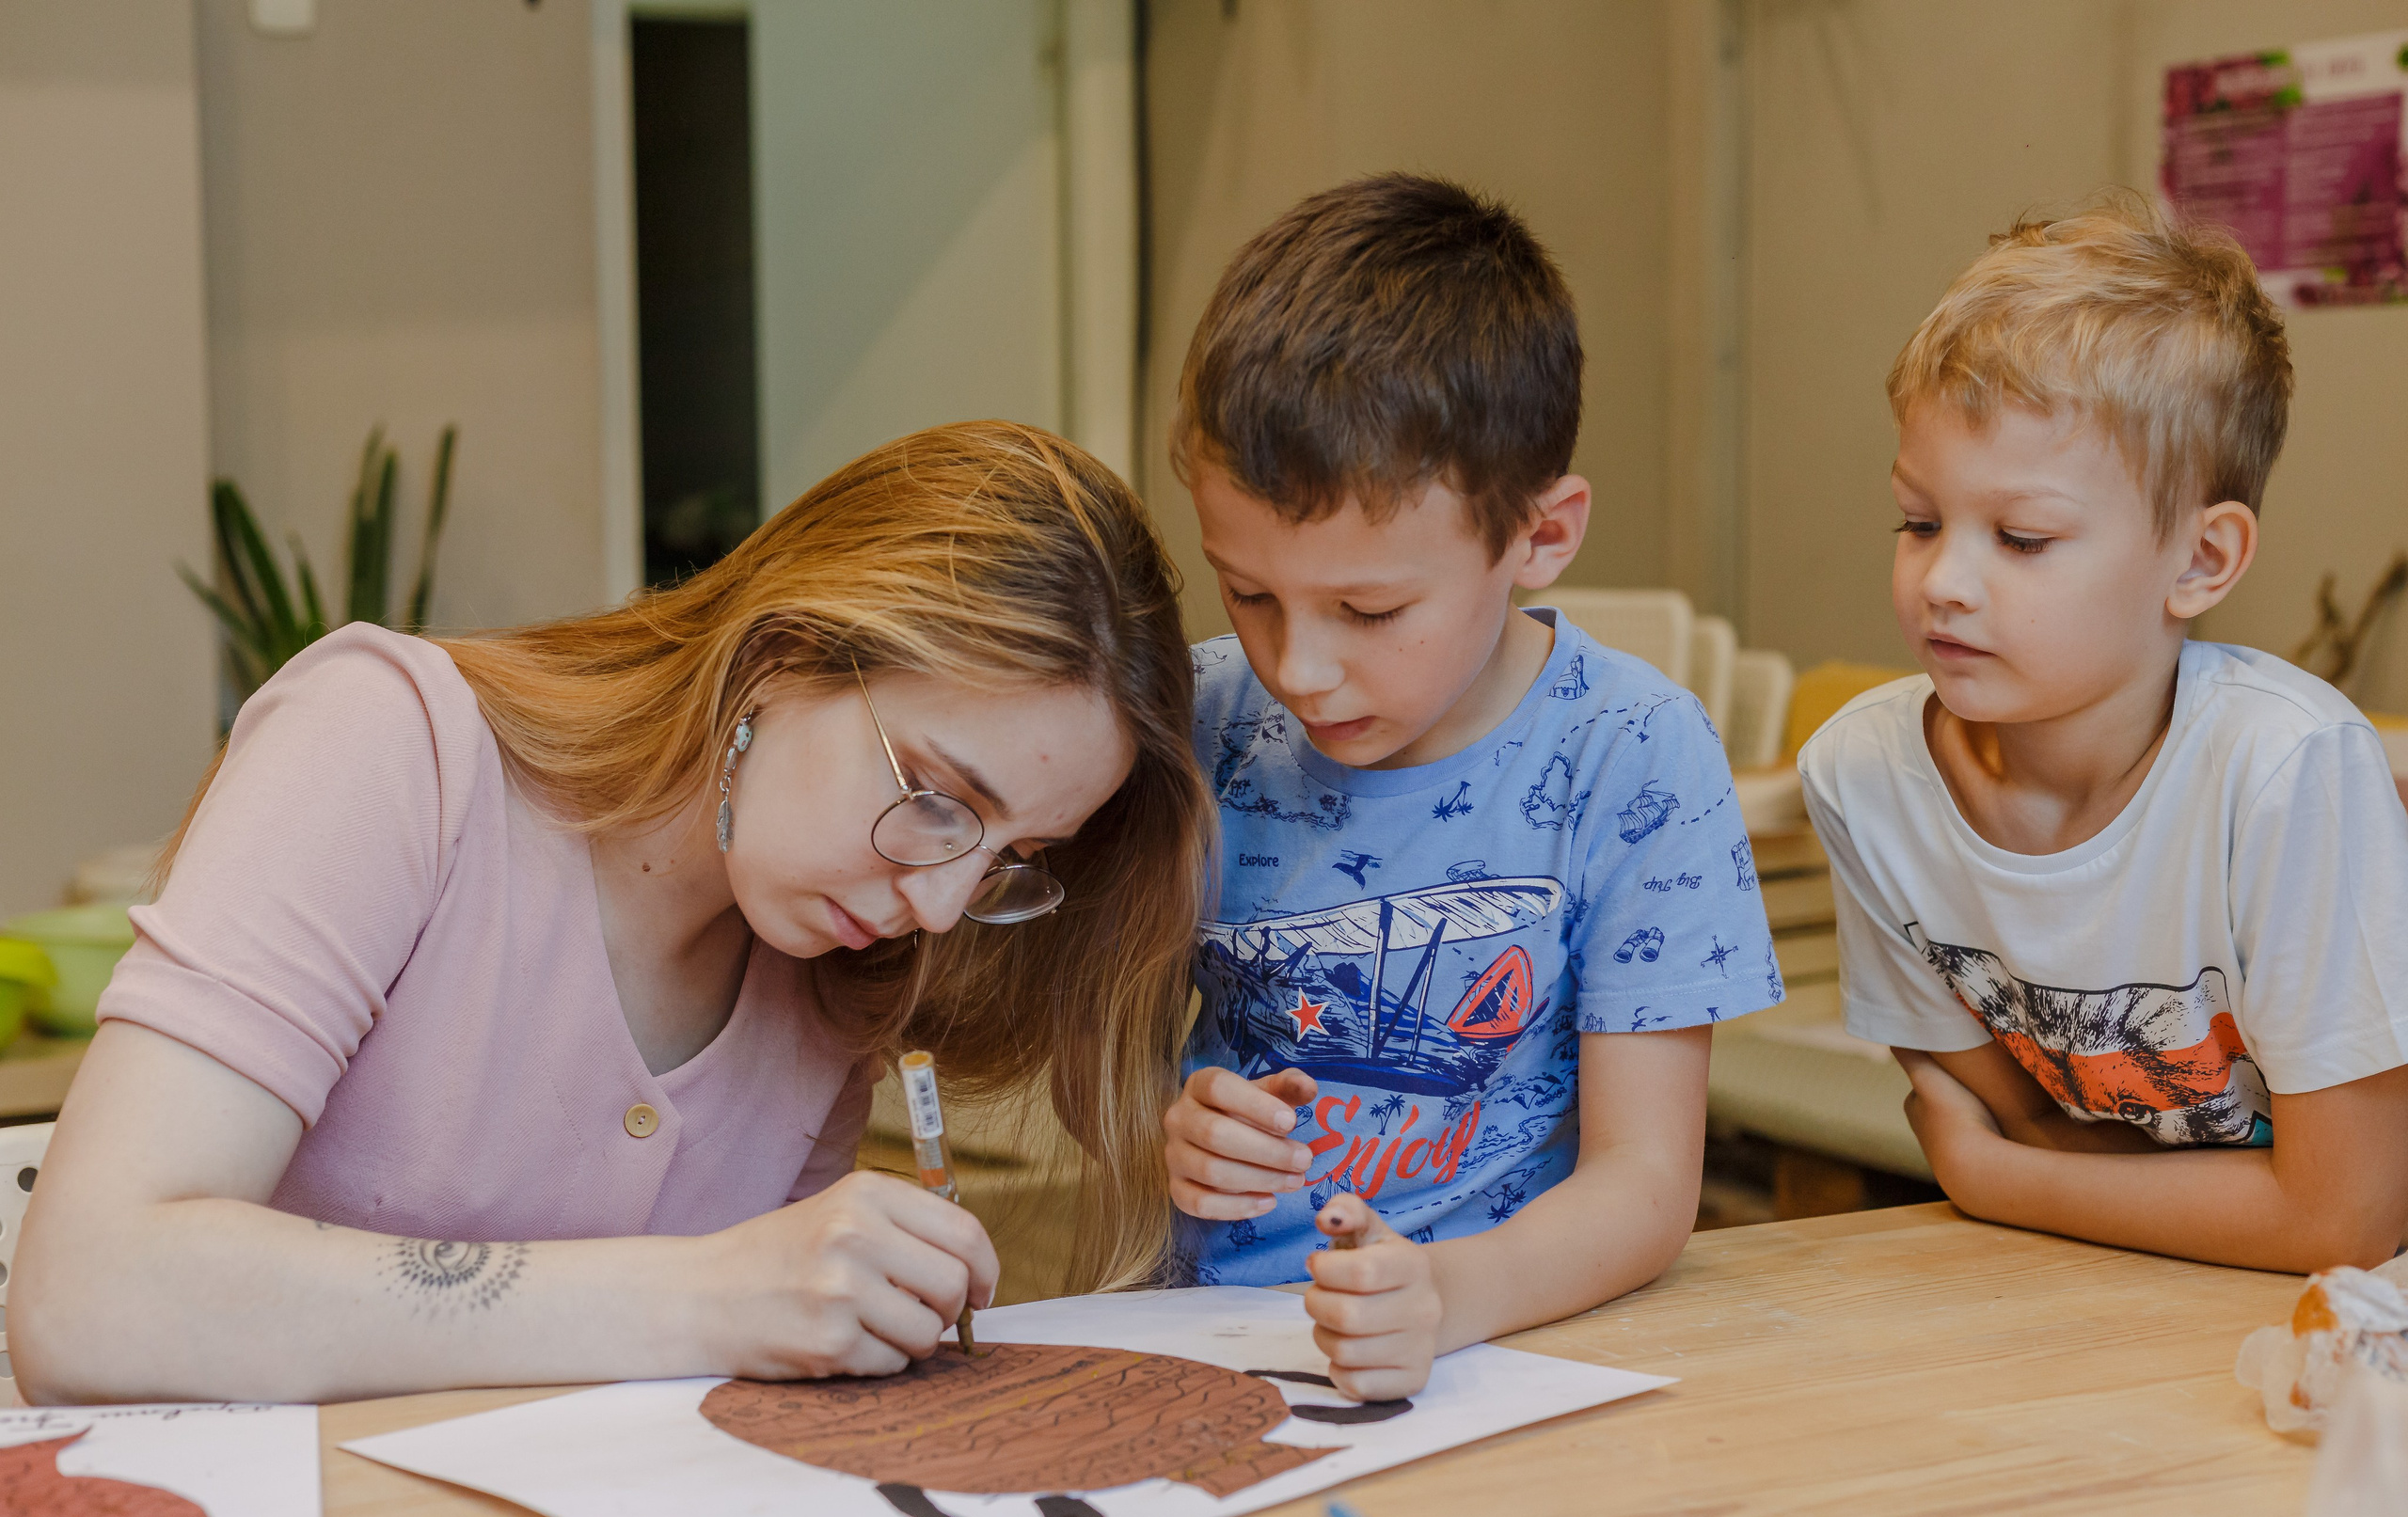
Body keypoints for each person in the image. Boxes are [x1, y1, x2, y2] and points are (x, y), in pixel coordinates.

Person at [13, 420, 1209, 1405]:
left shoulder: (832, 974)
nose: (941, 906)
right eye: (941, 800)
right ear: (784, 650)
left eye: (1016, 856)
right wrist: (714, 1294)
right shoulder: (393, 746)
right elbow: (88, 1296)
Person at [1158, 174, 1780, 1401]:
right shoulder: (1200, 716)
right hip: (1205, 1354)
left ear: (1542, 536)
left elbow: (1647, 1185)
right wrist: (1163, 1132)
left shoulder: (1632, 752)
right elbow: (1088, 1057)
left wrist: (1449, 1298)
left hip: (1501, 1359)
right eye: (1247, 591)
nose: (1300, 665)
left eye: (1371, 607)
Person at [1799, 195, 2408, 1272]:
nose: (1942, 581)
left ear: (2201, 561)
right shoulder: (1865, 778)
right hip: (2123, 1275)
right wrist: (2041, 1165)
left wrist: (1993, 1182)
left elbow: (2345, 1219)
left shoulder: (2284, 769)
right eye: (1919, 521)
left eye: (2023, 539)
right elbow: (2044, 1121)